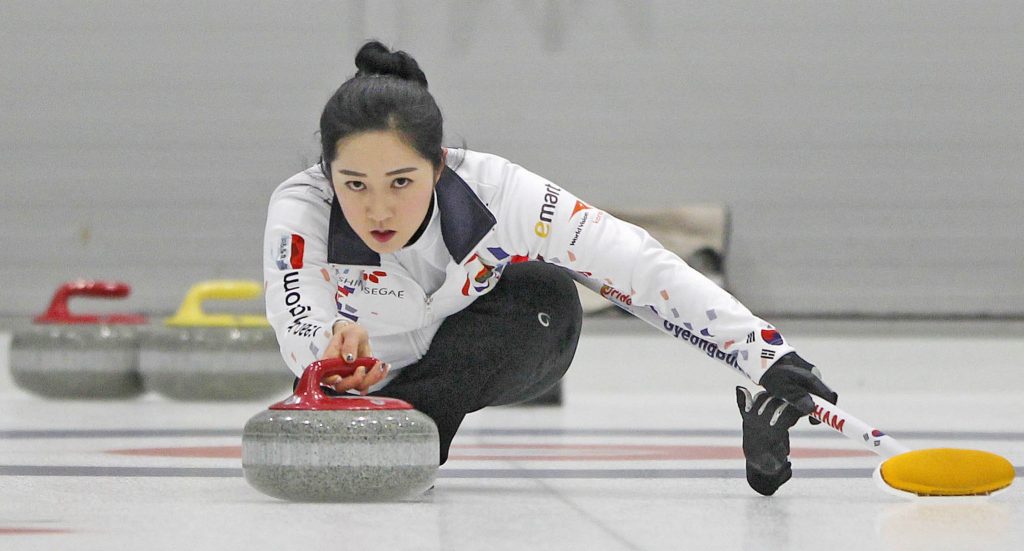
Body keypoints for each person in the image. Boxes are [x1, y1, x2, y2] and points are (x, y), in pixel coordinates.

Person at [263, 40, 838, 496]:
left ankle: (410, 437)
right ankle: (385, 428)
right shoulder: (301, 207)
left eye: (401, 182)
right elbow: (296, 311)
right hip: (355, 382)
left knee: (545, 292)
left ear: (439, 166)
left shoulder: (503, 193)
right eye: (354, 184)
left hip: (488, 354)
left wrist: (766, 355)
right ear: (327, 174)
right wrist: (327, 355)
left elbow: (639, 267)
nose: (378, 209)